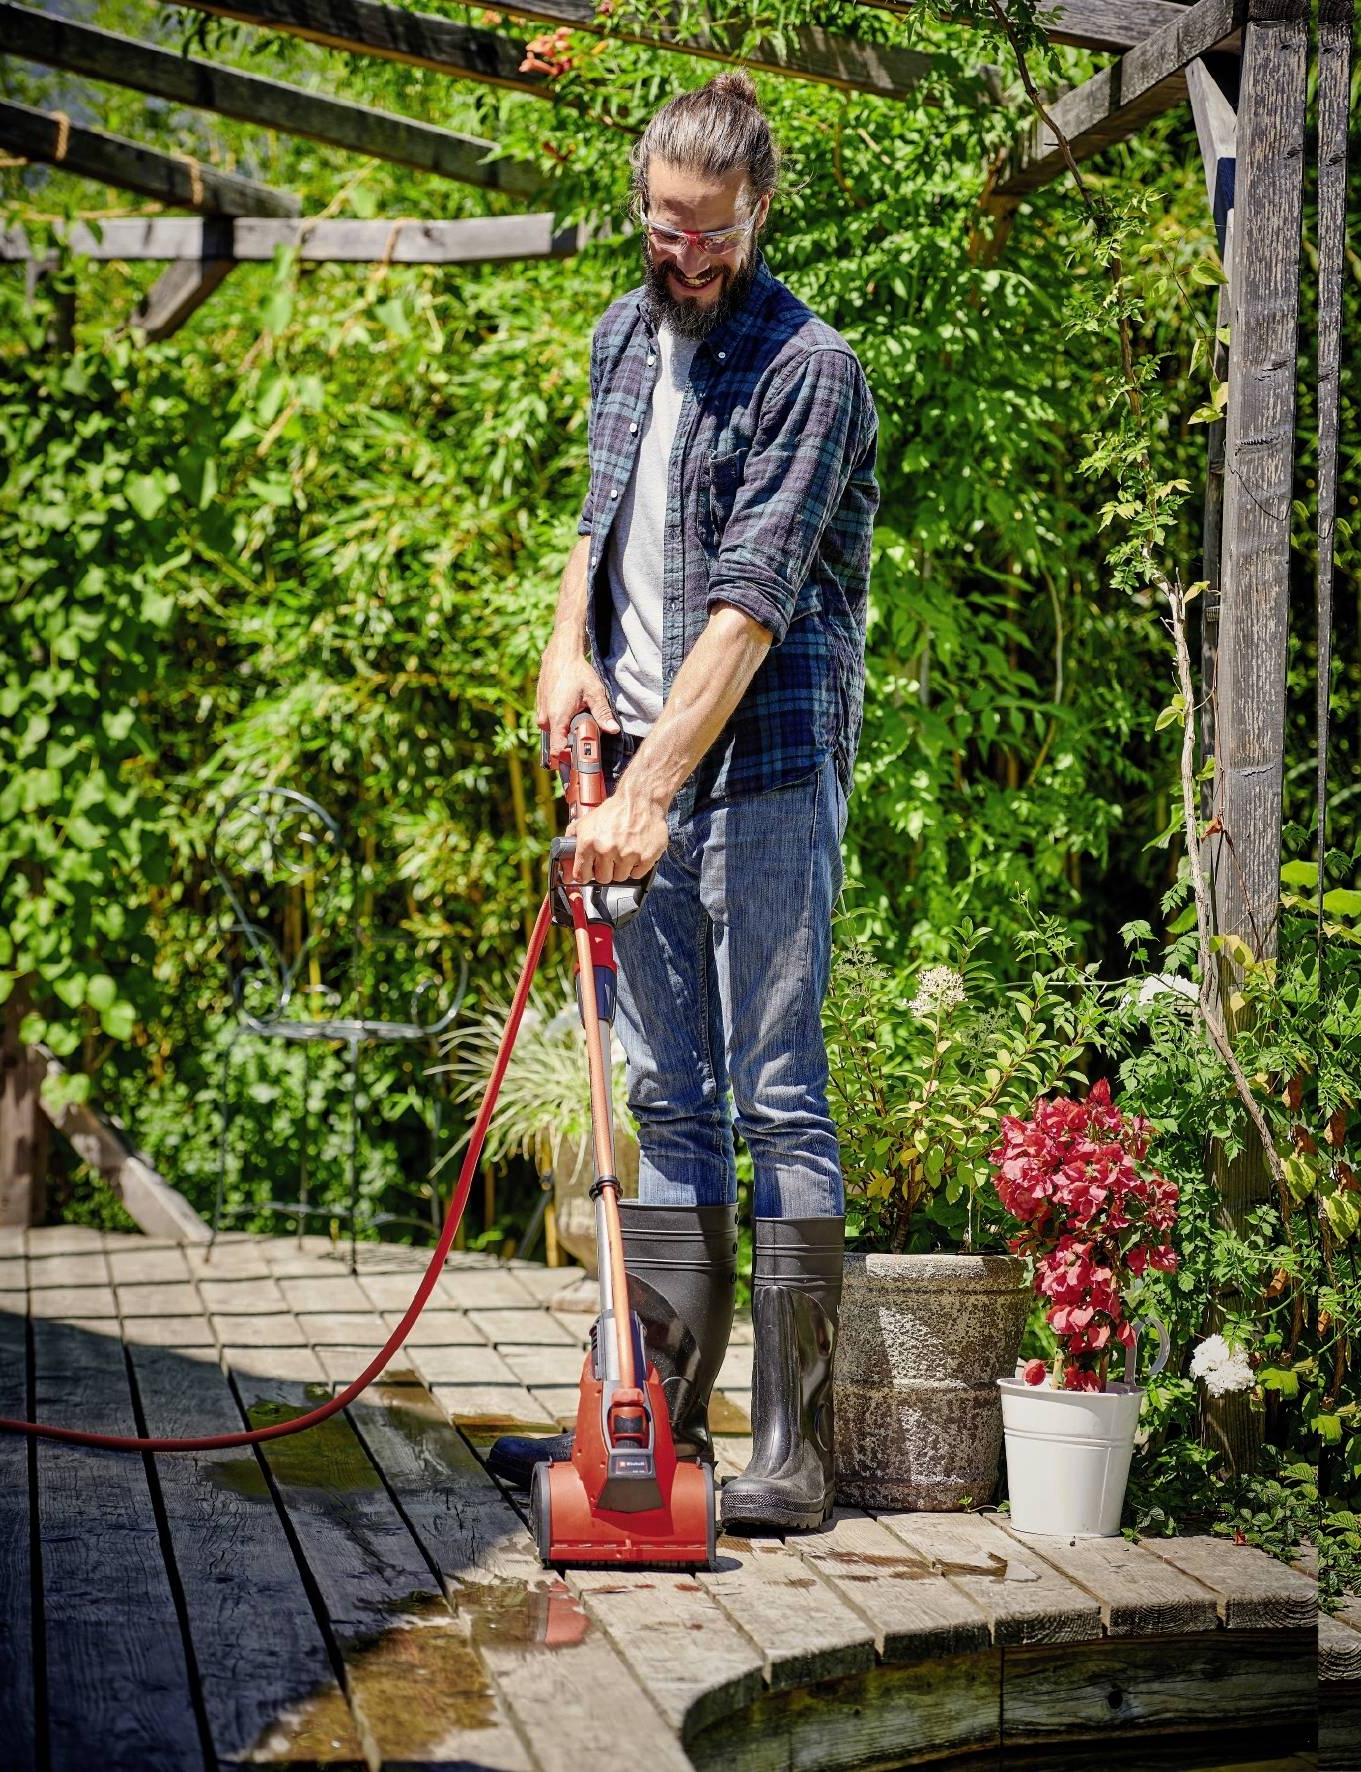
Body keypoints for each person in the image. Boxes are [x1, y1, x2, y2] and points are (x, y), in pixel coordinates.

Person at [488, 70, 880, 1532]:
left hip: (760, 768)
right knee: (666, 1095)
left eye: (709, 232)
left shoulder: (807, 369)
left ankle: (789, 1457)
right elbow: (593, 523)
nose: (683, 254)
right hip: (627, 765)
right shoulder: (619, 336)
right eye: (664, 226)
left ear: (757, 213)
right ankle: (650, 1430)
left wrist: (647, 796)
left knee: (777, 1093)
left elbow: (748, 608)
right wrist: (564, 649)